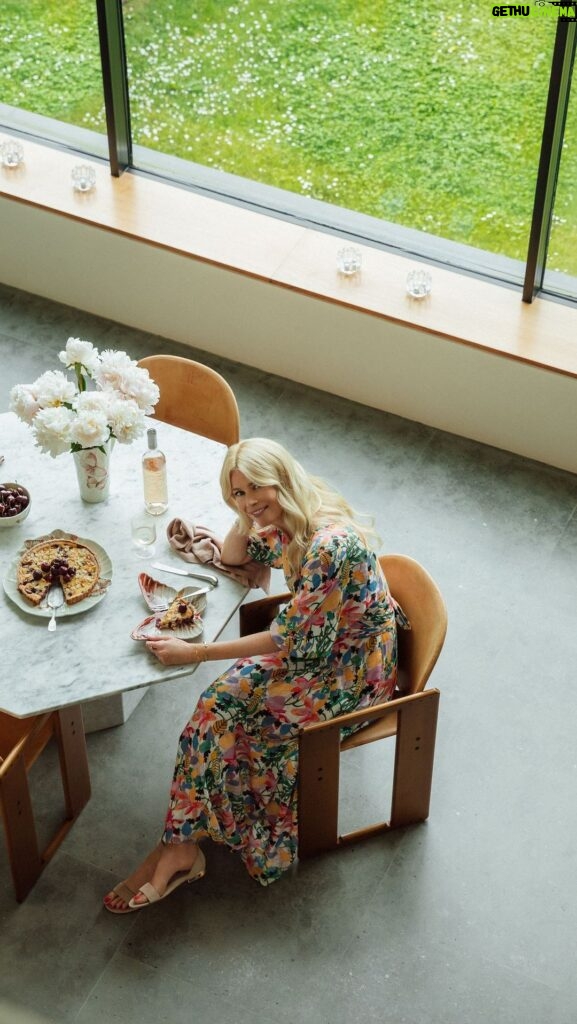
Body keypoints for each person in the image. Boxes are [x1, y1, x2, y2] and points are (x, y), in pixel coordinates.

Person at [104, 437, 408, 913]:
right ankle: (180, 842)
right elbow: (234, 551)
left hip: (351, 673)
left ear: (282, 477)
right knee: (216, 707)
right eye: (237, 493)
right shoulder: (290, 518)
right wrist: (247, 512)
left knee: (221, 708)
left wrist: (197, 652)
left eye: (255, 488)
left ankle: (184, 843)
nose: (248, 502)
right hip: (323, 646)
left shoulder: (328, 547)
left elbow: (289, 642)